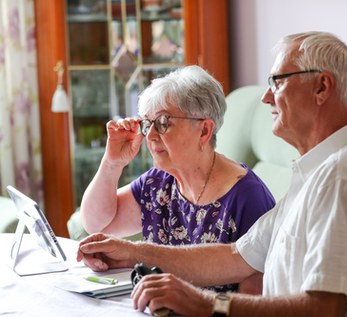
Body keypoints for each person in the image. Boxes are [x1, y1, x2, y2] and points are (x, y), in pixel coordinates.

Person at [77, 31, 347, 317]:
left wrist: (205, 304)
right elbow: (235, 257)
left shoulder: (342, 177)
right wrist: (130, 251)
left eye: (277, 81)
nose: (265, 97)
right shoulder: (317, 173)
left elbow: (323, 309)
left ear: (321, 87)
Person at [79, 65, 275, 291]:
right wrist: (112, 163)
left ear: (204, 131)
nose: (150, 136)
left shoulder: (247, 198)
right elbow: (97, 224)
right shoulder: (158, 183)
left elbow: (254, 304)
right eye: (147, 124)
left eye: (163, 123)